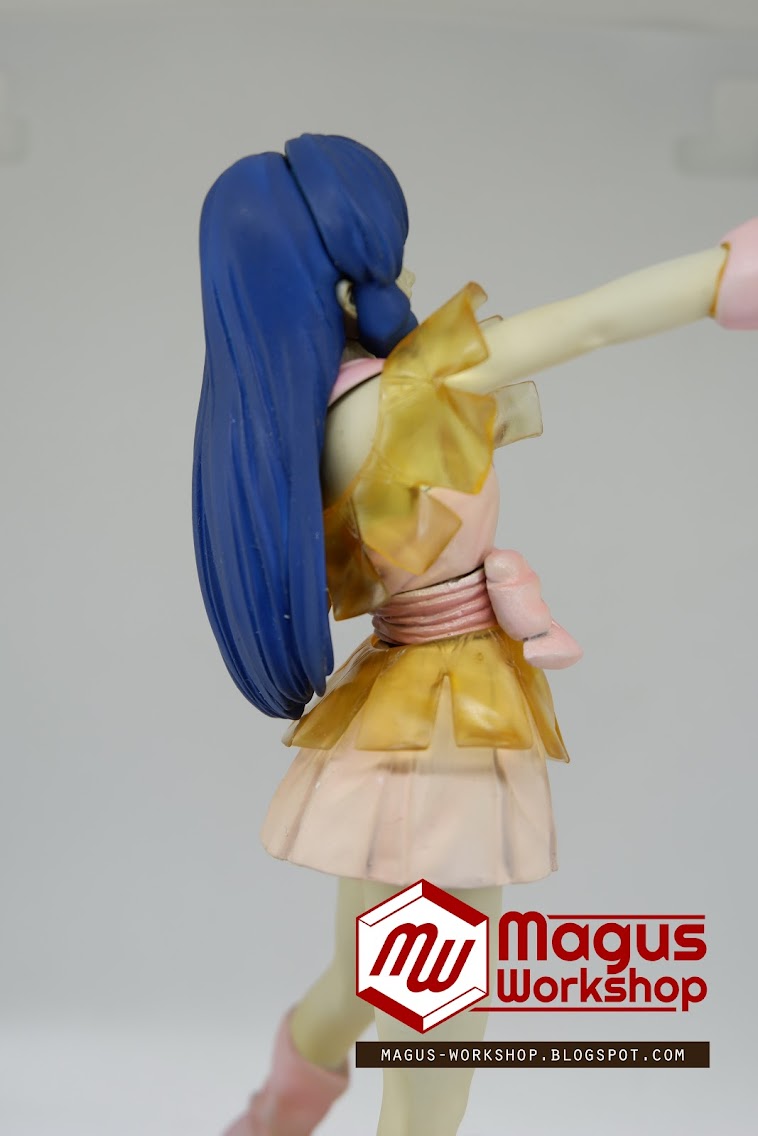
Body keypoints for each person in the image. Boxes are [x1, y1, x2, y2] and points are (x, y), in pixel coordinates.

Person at [193, 133, 758, 1136]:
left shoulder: (281, 433)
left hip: (391, 716)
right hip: (445, 733)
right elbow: (587, 322)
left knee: (362, 978)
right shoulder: (413, 388)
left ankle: (272, 1116)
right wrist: (729, 271)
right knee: (436, 1041)